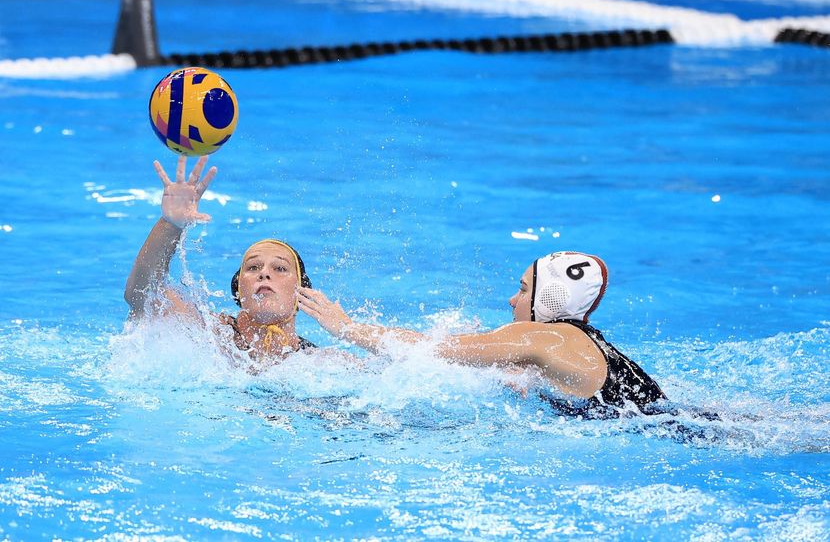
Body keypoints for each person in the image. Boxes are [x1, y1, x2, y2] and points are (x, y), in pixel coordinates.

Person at [298, 251, 667, 417]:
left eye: (523, 290)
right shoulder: (575, 342)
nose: (512, 300)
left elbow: (430, 351)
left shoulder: (546, 338)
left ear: (549, 299)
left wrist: (347, 328)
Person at [124, 155, 315, 365]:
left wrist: (347, 328)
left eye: (280, 268)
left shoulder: (316, 362)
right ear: (238, 289)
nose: (264, 273)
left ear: (301, 291)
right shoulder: (209, 335)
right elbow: (143, 294)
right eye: (253, 267)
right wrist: (171, 224)